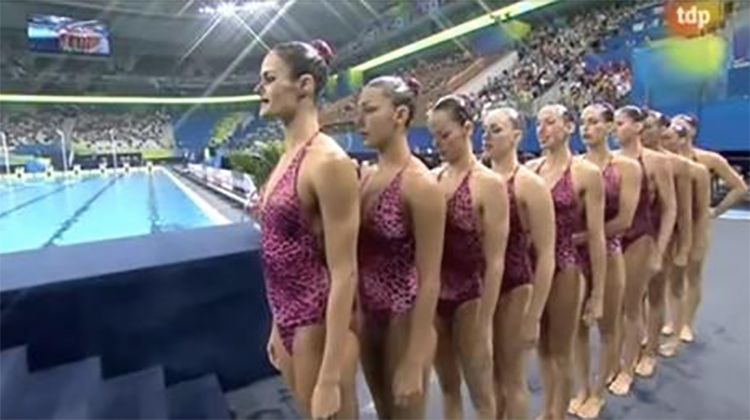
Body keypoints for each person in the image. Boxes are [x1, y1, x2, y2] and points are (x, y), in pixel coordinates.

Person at [255, 40, 360, 419]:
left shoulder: (327, 162)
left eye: (269, 79)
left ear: (304, 86)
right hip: (286, 319)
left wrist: (330, 377)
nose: (259, 89)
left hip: (316, 322)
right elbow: (278, 249)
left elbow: (345, 272)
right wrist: (274, 322)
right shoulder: (287, 158)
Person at [356, 75, 446, 419]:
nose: (359, 121)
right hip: (369, 316)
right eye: (358, 111)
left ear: (400, 115)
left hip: (402, 320)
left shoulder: (420, 185)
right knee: (383, 412)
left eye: (369, 110)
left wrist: (415, 355)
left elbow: (431, 278)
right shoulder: (367, 178)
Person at [426, 95, 510, 420]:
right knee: (447, 388)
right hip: (435, 298)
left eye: (445, 135)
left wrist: (485, 318)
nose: (438, 144)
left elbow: (496, 260)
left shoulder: (489, 184)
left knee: (480, 392)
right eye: (434, 136)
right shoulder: (431, 179)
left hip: (470, 297)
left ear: (467, 128)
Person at [526, 104, 606, 420]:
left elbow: (597, 236)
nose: (542, 129)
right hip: (533, 268)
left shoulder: (586, 173)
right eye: (538, 124)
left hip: (565, 266)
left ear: (568, 127)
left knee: (561, 351)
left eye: (550, 123)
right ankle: (549, 410)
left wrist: (598, 293)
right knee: (541, 349)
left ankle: (558, 413)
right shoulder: (530, 170)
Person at [569, 103, 642, 418]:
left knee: (608, 326)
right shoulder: (572, 166)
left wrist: (585, 237)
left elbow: (625, 219)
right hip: (573, 258)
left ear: (610, 127)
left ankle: (599, 392)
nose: (587, 128)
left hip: (609, 252)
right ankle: (582, 386)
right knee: (576, 328)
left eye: (595, 122)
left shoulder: (627, 167)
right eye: (583, 122)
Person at [483, 106, 556, 420]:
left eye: (496, 129)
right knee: (488, 377)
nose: (487, 136)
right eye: (485, 129)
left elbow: (546, 255)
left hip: (514, 286)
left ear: (516, 136)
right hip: (480, 289)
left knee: (511, 377)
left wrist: (533, 316)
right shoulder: (477, 178)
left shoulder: (529, 185)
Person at [608, 106, 676, 396]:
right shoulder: (608, 161)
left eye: (621, 123)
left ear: (637, 126)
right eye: (614, 124)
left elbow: (670, 208)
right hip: (615, 239)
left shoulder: (658, 162)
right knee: (616, 307)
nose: (615, 129)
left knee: (633, 306)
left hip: (641, 236)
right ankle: (620, 359)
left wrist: (660, 250)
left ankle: (640, 358)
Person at [663, 114, 748, 342]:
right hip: (670, 224)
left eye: (683, 126)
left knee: (692, 273)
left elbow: (739, 188)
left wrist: (715, 211)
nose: (677, 129)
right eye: (673, 125)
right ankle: (673, 319)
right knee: (671, 275)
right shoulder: (664, 159)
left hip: (697, 223)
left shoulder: (709, 159)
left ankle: (687, 324)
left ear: (692, 131)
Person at [635, 110, 694, 376]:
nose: (644, 132)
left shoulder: (677, 165)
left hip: (662, 236)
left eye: (649, 127)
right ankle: (641, 339)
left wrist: (681, 248)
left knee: (656, 294)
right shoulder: (627, 160)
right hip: (633, 238)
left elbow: (681, 212)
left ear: (662, 130)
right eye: (642, 126)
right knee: (634, 298)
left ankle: (650, 352)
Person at [658, 117, 714, 355]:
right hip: (664, 232)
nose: (666, 141)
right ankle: (669, 324)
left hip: (687, 231)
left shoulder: (699, 167)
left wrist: (691, 242)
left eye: (670, 137)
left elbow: (696, 212)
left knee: (685, 280)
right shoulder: (659, 164)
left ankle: (685, 326)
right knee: (664, 283)